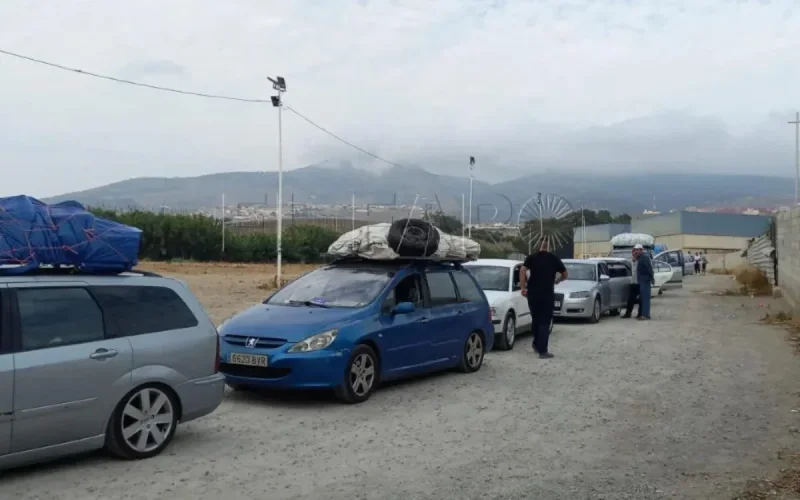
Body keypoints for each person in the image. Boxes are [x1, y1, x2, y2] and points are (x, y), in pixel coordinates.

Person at [519, 240, 568, 359]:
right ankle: (543, 351)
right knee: (545, 322)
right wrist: (557, 280)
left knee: (536, 319)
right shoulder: (553, 258)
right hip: (547, 294)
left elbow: (522, 270)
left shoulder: (531, 258)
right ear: (548, 247)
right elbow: (565, 274)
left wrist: (523, 287)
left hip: (533, 294)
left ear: (538, 246)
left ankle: (536, 343)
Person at [633, 244, 655, 320]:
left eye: (638, 250)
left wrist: (652, 277)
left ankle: (645, 315)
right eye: (635, 250)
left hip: (645, 280)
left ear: (641, 250)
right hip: (641, 280)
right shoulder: (639, 258)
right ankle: (642, 314)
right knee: (642, 298)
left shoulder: (645, 257)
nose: (636, 251)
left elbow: (649, 268)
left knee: (645, 298)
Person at [622, 246, 642, 319]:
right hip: (633, 283)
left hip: (640, 283)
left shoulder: (641, 261)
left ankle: (640, 314)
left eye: (636, 252)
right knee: (630, 299)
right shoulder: (630, 261)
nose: (635, 253)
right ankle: (628, 313)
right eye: (633, 252)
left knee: (641, 300)